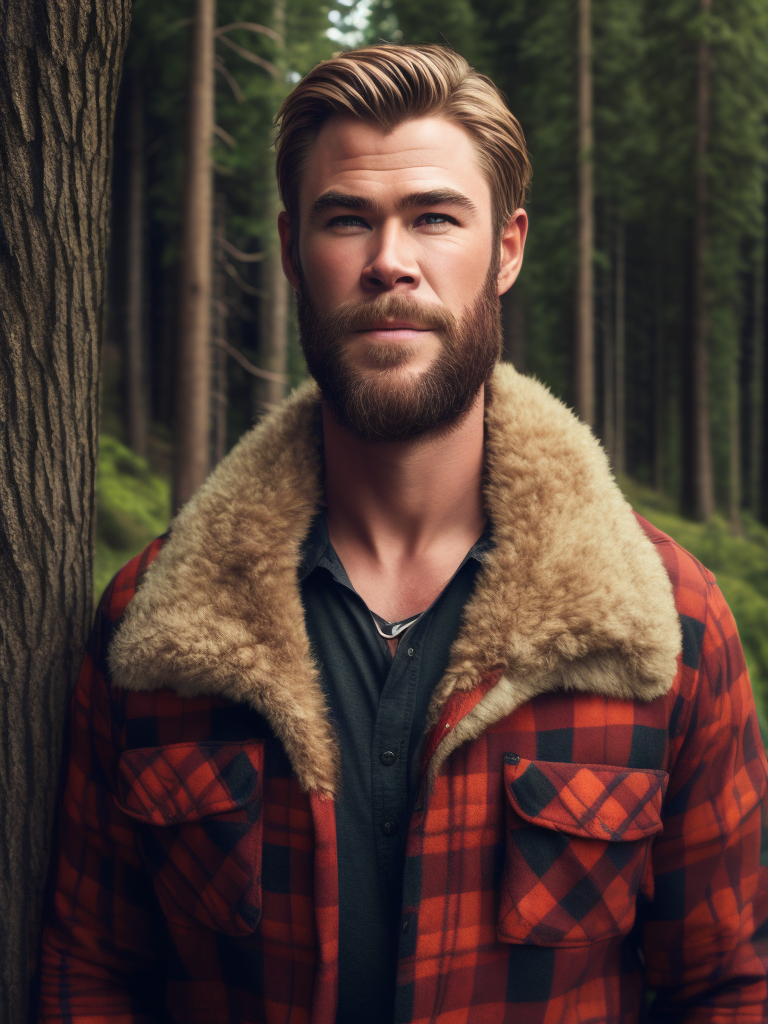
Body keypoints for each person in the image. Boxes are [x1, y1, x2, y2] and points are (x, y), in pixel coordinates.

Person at [39, 44, 768, 1024]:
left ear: (507, 249)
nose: (389, 259)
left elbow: (730, 987)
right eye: (348, 218)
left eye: (434, 217)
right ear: (293, 250)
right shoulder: (153, 626)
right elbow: (89, 970)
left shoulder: (667, 626)